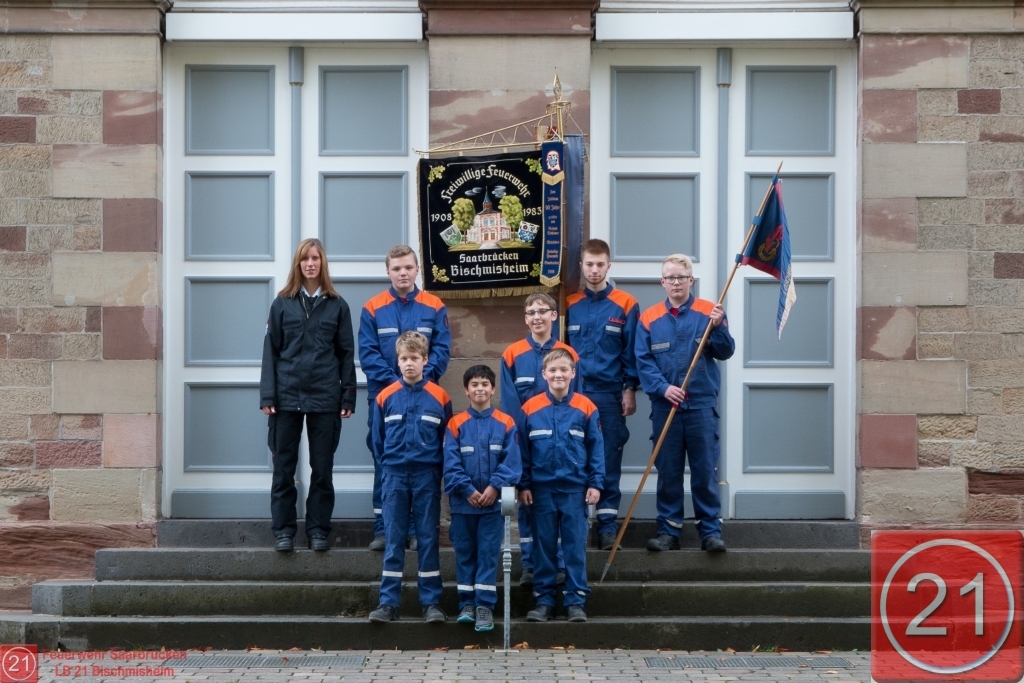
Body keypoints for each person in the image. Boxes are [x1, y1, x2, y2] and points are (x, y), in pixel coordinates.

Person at [260, 238, 357, 553]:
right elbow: (270, 353)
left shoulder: (337, 305)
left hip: (325, 398)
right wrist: (268, 395)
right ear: (298, 264)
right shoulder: (282, 303)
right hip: (286, 398)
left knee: (322, 469)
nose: (310, 263)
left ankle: (318, 530)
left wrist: (347, 397)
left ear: (322, 263)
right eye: (305, 259)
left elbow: (346, 355)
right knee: (283, 468)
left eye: (315, 258)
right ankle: (284, 531)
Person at [635, 254, 734, 553]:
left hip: (701, 406)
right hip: (667, 406)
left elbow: (725, 351)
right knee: (668, 472)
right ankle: (669, 532)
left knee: (705, 471)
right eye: (670, 278)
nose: (675, 283)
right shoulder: (649, 318)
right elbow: (643, 360)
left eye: (681, 277)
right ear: (662, 282)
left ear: (691, 280)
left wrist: (717, 326)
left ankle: (710, 532)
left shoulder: (709, 311)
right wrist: (663, 388)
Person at [359, 245, 451, 551]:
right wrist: (396, 385)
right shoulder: (372, 308)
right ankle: (384, 529)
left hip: (425, 397)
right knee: (384, 458)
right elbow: (368, 354)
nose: (403, 273)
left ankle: (416, 531)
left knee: (421, 462)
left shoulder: (434, 306)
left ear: (417, 270)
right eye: (397, 268)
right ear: (388, 271)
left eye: (408, 267)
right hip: (384, 399)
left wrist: (422, 380)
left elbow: (441, 350)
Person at [368, 331, 452, 623]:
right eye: (403, 359)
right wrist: (389, 466)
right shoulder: (384, 396)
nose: (408, 364)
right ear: (397, 360)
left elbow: (447, 440)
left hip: (426, 475)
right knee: (394, 540)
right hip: (393, 475)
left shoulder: (440, 397)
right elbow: (376, 440)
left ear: (426, 360)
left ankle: (430, 603)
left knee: (428, 538)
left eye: (414, 358)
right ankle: (388, 603)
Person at [519, 348, 604, 623]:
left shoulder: (586, 407)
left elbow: (596, 449)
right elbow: (522, 452)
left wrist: (595, 483)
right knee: (543, 547)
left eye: (563, 370)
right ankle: (543, 602)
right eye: (552, 370)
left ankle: (575, 601)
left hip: (574, 490)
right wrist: (524, 485)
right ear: (543, 374)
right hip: (541, 491)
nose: (558, 374)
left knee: (574, 547)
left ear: (572, 373)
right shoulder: (529, 408)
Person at [500, 292, 578, 585]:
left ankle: (558, 565)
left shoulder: (568, 354)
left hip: (561, 442)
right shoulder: (512, 354)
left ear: (554, 316)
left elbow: (577, 399)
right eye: (531, 312)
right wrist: (516, 441)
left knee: (557, 509)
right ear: (525, 318)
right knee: (528, 503)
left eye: (542, 311)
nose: (537, 317)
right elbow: (509, 403)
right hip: (526, 442)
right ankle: (530, 565)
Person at [566, 239, 639, 551]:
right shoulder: (568, 304)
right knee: (573, 459)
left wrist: (630, 389)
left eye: (600, 264)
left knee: (608, 460)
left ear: (609, 266)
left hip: (609, 396)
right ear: (581, 267)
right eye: (589, 265)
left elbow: (632, 351)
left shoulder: (626, 304)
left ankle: (607, 528)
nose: (594, 270)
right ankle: (577, 527)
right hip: (573, 396)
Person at [443, 365, 522, 633]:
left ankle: (484, 607)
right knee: (465, 554)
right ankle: (466, 603)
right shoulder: (455, 424)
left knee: (488, 556)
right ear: (466, 390)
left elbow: (512, 462)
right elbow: (450, 464)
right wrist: (468, 490)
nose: (480, 388)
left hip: (492, 508)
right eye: (474, 384)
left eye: (485, 384)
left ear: (493, 389)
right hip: (463, 505)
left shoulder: (506, 423)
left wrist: (493, 488)